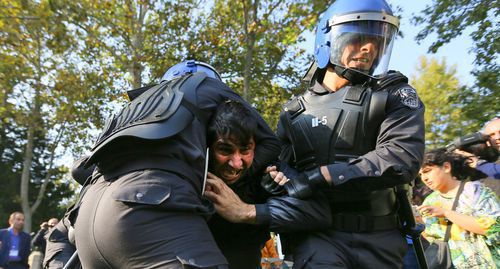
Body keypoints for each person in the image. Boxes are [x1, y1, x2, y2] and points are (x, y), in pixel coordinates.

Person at [205, 0, 425, 268]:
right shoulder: (294, 113)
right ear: (328, 40)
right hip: (315, 237)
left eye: (377, 40)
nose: (369, 47)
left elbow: (401, 159)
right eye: (359, 38)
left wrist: (321, 176)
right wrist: (274, 181)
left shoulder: (392, 95)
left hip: (380, 238)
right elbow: (280, 168)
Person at [71, 60, 281, 268]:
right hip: (147, 209)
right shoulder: (208, 86)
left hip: (87, 221)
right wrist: (232, 175)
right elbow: (271, 143)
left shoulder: (138, 104)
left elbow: (79, 169)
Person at [205, 100, 279, 269]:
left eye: (245, 150)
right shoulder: (189, 178)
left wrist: (247, 211)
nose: (236, 163)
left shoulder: (267, 176)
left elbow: (314, 215)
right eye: (225, 150)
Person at [418, 148, 499, 268]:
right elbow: (434, 239)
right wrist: (419, 221)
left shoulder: (474, 191)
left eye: (427, 171)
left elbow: (494, 228)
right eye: (420, 174)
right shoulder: (430, 201)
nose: (424, 178)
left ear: (446, 167)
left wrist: (446, 213)